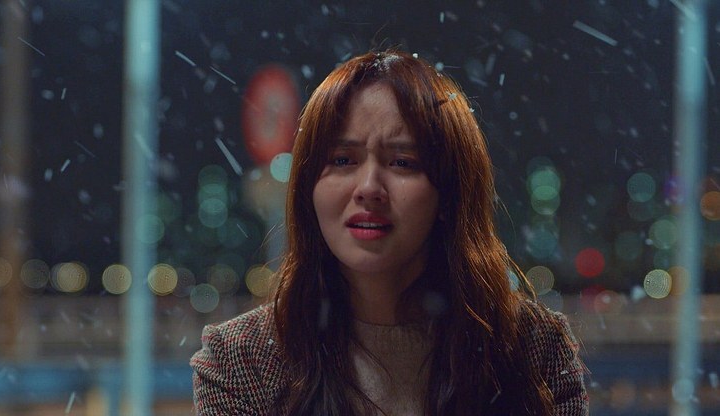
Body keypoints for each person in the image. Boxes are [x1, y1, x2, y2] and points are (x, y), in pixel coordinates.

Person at [190, 50, 588, 416]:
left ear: (450, 192)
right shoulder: (241, 360)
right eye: (342, 160)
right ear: (308, 188)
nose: (368, 188)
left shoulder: (533, 349)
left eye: (402, 162)